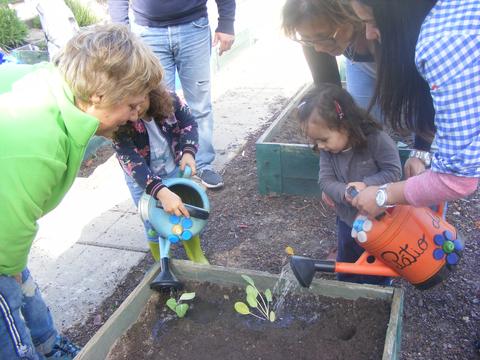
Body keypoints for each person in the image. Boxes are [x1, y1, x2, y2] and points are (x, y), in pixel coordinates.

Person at [0, 24, 163, 359]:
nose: (136, 118)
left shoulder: (56, 89)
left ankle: (52, 349)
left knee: (21, 285)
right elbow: (5, 245)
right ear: (98, 96)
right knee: (8, 304)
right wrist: (10, 274)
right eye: (131, 106)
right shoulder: (38, 144)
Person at [348, 0, 479, 218]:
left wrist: (383, 194)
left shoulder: (442, 48)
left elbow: (457, 180)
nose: (369, 34)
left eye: (371, 21)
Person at [108, 0, 237, 189]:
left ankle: (200, 163)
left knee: (198, 106)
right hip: (147, 31)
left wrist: (227, 21)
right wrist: (122, 37)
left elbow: (189, 119)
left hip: (194, 26)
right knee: (151, 107)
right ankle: (160, 174)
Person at [297, 83, 402, 285]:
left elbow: (393, 172)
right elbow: (325, 180)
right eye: (316, 141)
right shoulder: (328, 151)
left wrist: (367, 185)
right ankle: (345, 288)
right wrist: (343, 191)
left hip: (380, 220)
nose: (320, 146)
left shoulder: (376, 140)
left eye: (324, 139)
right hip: (347, 219)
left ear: (344, 126)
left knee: (376, 264)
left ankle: (377, 293)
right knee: (347, 257)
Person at [112, 85, 208, 264]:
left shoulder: (170, 101)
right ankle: (162, 263)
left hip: (172, 169)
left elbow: (189, 124)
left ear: (149, 91)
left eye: (137, 104)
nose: (134, 112)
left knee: (182, 209)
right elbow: (130, 160)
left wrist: (188, 152)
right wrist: (160, 191)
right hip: (142, 180)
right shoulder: (120, 121)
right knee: (153, 221)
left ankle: (196, 256)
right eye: (128, 106)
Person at [282, 0, 383, 121]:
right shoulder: (313, 34)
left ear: (348, 17)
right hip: (359, 66)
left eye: (324, 38)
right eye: (307, 39)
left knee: (412, 118)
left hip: (401, 64)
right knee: (365, 120)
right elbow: (328, 90)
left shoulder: (381, 29)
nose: (318, 48)